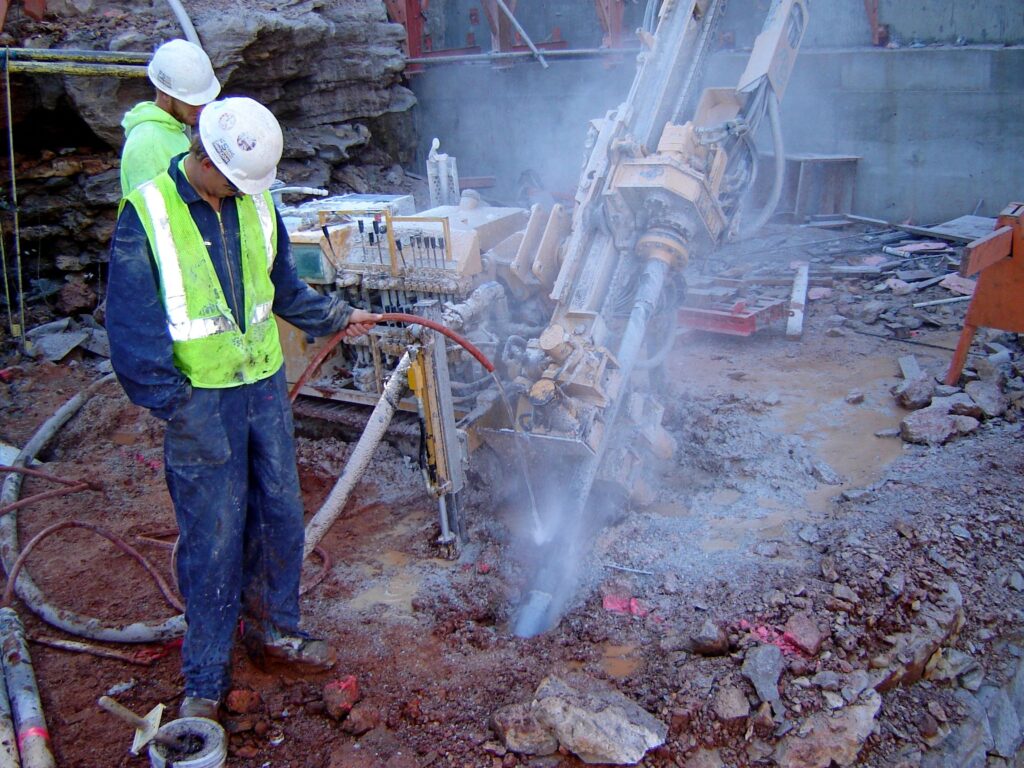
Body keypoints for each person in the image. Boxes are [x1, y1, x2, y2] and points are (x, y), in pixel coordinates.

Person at [106, 96, 381, 722]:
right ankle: (205, 675)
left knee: (280, 513)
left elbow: (281, 284)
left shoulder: (254, 200)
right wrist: (173, 403)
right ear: (203, 158)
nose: (238, 192)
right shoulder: (147, 213)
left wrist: (336, 316)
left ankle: (274, 629)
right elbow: (130, 328)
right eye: (230, 181)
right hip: (199, 400)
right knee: (214, 534)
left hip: (260, 387)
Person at [119, 39, 221, 196]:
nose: (201, 109)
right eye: (192, 102)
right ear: (166, 94)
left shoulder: (170, 131)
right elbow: (151, 213)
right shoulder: (148, 144)